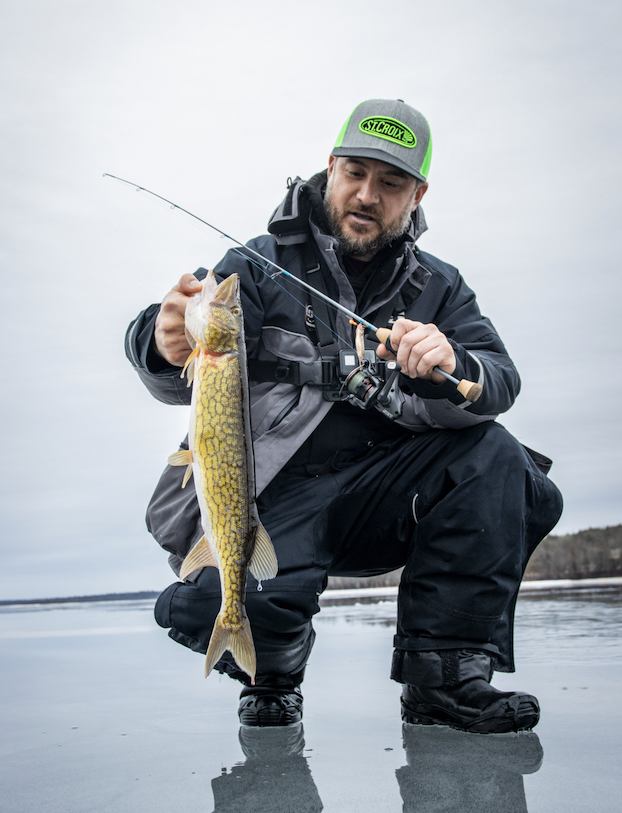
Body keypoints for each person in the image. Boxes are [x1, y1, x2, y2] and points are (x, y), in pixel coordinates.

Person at [125, 99, 563, 733]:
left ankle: (443, 681)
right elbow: (174, 336)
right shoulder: (253, 264)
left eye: (392, 183)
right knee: (206, 605)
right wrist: (162, 342)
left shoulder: (441, 287)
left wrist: (454, 361)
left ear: (418, 195)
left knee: (496, 456)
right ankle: (271, 669)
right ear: (329, 168)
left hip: (387, 497)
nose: (367, 194)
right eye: (356, 172)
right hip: (274, 501)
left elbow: (500, 379)